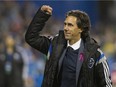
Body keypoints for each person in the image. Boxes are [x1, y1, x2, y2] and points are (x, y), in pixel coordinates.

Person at [25, 5, 112, 87]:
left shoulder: (95, 54)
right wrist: (42, 15)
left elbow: (107, 84)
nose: (65, 28)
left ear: (81, 29)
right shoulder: (55, 45)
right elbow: (31, 38)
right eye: (65, 24)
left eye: (70, 25)